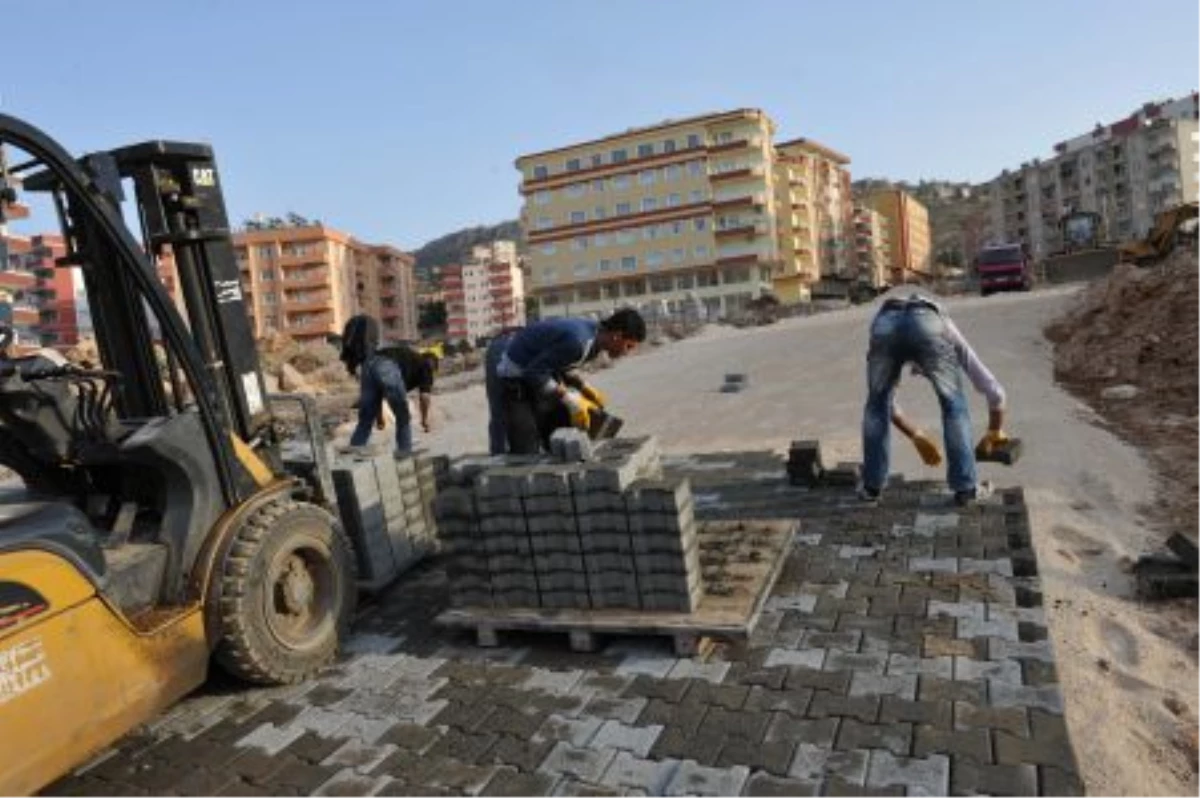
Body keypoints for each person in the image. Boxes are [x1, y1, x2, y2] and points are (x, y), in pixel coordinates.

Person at [860, 290, 1010, 506]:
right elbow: (992, 388)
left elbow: (885, 405)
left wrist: (915, 435)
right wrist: (995, 427)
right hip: (926, 320)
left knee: (875, 406)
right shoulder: (945, 327)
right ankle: (966, 489)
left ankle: (871, 488)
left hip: (885, 320)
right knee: (954, 406)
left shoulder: (881, 333)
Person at [486, 308, 646, 454]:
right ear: (617, 336)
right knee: (513, 434)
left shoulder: (596, 338)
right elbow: (534, 372)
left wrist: (583, 386)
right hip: (509, 363)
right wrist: (570, 399)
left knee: (553, 418)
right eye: (628, 346)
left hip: (534, 362)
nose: (627, 353)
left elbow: (560, 362)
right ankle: (500, 464)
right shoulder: (579, 341)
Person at [339, 314, 437, 454]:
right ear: (432, 363)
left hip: (369, 365)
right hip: (387, 365)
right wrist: (424, 420)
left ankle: (356, 447)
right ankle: (404, 451)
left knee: (366, 418)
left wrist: (379, 419)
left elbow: (378, 392)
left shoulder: (409, 358)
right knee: (403, 416)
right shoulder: (426, 365)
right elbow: (425, 397)